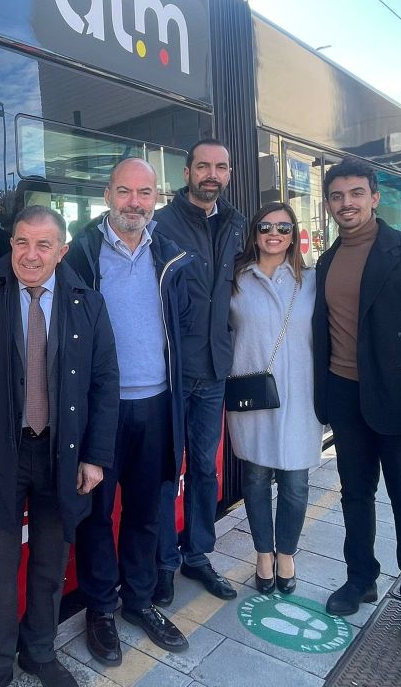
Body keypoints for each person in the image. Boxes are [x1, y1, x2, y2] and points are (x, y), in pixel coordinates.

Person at [0, 205, 120, 687]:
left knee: (49, 565)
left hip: (62, 456)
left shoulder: (88, 304)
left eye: (44, 245)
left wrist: (96, 456)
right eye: (22, 242)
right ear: (11, 245)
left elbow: (106, 383)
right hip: (0, 457)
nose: (31, 254)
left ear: (61, 252)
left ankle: (40, 653)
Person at [313, 156, 401, 649]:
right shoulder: (327, 260)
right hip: (346, 397)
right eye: (337, 196)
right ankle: (361, 578)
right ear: (328, 203)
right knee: (355, 496)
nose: (346, 204)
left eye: (355, 194)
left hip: (400, 404)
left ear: (375, 197)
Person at [65, 158, 193, 667]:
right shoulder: (81, 251)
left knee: (145, 511)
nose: (134, 202)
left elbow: (182, 325)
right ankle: (100, 609)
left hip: (158, 403)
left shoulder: (169, 251)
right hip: (102, 409)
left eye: (144, 193)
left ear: (155, 197)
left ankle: (138, 601)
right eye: (124, 192)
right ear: (107, 194)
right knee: (96, 515)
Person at [152, 139, 246, 604]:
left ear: (228, 174)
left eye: (221, 167)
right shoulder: (160, 223)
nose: (212, 174)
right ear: (187, 170)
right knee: (168, 470)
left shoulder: (236, 224)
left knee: (206, 469)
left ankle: (198, 555)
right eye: (203, 165)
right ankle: (164, 562)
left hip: (214, 371)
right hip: (170, 372)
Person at [226, 203, 322, 595]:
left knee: (296, 484)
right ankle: (263, 553)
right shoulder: (235, 280)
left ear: (294, 234)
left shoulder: (312, 280)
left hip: (301, 398)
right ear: (254, 233)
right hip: (253, 397)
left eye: (284, 226)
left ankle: (287, 553)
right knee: (256, 478)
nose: (274, 232)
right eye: (266, 225)